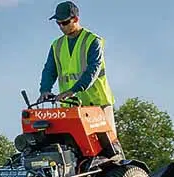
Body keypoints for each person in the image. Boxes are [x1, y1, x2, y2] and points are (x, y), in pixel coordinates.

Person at [37, 1, 117, 135]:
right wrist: (45, 89)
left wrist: (74, 90)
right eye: (58, 23)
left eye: (65, 22)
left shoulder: (92, 41)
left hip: (97, 105)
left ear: (76, 19)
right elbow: (49, 70)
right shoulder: (57, 45)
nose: (61, 27)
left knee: (108, 148)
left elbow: (93, 69)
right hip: (71, 108)